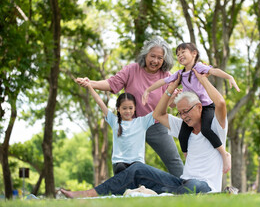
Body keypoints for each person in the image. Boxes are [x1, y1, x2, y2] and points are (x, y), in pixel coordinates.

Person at [61, 69, 228, 198]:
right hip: (181, 183)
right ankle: (88, 194)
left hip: (205, 187)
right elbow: (158, 114)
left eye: (186, 111)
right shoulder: (183, 127)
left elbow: (220, 102)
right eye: (180, 113)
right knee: (137, 169)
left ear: (199, 107)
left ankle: (157, 194)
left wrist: (202, 78)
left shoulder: (216, 126)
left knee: (196, 187)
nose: (183, 116)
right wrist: (170, 88)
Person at [75, 38, 183, 177]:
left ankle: (187, 188)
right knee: (123, 163)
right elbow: (112, 84)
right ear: (145, 54)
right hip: (130, 125)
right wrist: (91, 83)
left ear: (164, 60)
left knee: (173, 159)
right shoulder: (132, 69)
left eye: (159, 58)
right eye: (152, 56)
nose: (155, 61)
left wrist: (176, 97)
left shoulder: (166, 76)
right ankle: (122, 189)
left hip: (155, 124)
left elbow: (173, 103)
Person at [142, 42, 238, 173]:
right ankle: (188, 159)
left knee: (206, 129)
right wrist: (148, 90)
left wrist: (229, 77)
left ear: (194, 53)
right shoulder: (180, 73)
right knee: (182, 135)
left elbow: (214, 71)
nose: (180, 55)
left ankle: (224, 154)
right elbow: (163, 81)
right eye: (178, 54)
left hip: (206, 107)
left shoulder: (198, 68)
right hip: (192, 109)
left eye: (183, 52)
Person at [80, 79, 155, 175]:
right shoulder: (114, 121)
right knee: (120, 169)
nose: (127, 111)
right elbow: (100, 102)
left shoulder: (142, 122)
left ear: (135, 108)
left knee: (137, 170)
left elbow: (160, 109)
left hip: (137, 162)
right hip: (120, 163)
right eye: (124, 108)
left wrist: (170, 94)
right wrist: (89, 86)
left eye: (130, 108)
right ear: (118, 109)